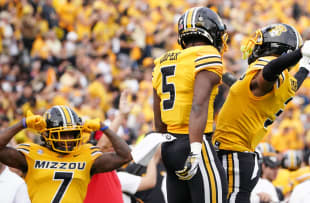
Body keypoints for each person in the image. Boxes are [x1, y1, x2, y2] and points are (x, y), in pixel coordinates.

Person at [212, 23, 310, 203]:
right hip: (238, 154)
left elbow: (269, 71)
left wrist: (300, 53)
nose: (255, 47)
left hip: (234, 153)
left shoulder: (268, 72)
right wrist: (304, 68)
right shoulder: (284, 82)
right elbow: (290, 84)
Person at [152, 6, 228, 203]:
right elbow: (198, 104)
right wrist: (195, 148)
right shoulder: (207, 54)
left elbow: (158, 119)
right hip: (195, 141)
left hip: (170, 146)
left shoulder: (161, 61)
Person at [0, 105, 132, 203]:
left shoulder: (86, 155)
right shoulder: (33, 154)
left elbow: (125, 156)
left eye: (72, 134)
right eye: (62, 134)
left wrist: (103, 127)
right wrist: (22, 124)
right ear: (46, 134)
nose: (68, 139)